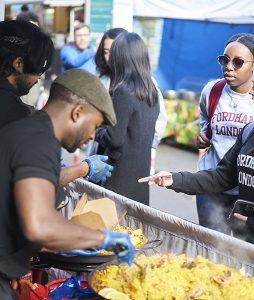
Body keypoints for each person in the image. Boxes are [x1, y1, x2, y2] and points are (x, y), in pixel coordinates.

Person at [140, 53, 254, 259]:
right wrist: (175, 179)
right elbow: (223, 176)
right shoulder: (251, 130)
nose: (251, 91)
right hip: (251, 245)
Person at [0, 68, 135, 299]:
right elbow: (39, 225)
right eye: (95, 125)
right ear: (78, 112)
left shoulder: (31, 132)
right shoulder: (38, 141)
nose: (93, 135)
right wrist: (104, 239)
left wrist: (72, 240)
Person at [0, 20, 113, 188]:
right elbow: (38, 189)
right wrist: (84, 168)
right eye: (38, 72)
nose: (38, 79)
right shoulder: (19, 119)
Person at [196, 33, 254, 232]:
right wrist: (204, 134)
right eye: (224, 60)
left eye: (238, 62)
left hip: (246, 190)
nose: (229, 66)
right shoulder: (212, 90)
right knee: (212, 244)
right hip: (210, 182)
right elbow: (204, 115)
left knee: (242, 250)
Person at [87, 27, 167, 174]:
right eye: (106, 52)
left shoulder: (128, 88)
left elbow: (115, 137)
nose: (110, 57)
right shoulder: (102, 79)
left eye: (114, 51)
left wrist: (94, 132)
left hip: (117, 163)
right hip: (121, 161)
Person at [94, 32, 160, 205]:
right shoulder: (151, 90)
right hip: (139, 178)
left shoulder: (123, 90)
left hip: (118, 176)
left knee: (109, 229)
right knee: (130, 230)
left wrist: (96, 130)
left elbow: (114, 139)